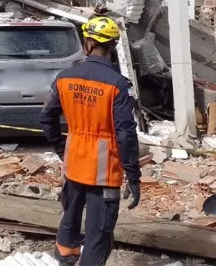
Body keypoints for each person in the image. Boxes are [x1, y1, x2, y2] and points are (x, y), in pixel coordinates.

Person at [40, 16, 141, 266]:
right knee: (98, 233)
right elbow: (126, 133)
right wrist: (134, 175)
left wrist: (63, 150)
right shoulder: (117, 84)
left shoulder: (65, 77)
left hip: (74, 165)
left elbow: (46, 118)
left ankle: (65, 259)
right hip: (103, 173)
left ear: (88, 43)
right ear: (112, 46)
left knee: (70, 219)